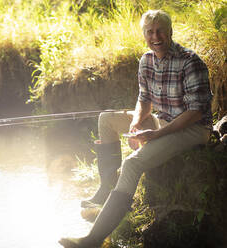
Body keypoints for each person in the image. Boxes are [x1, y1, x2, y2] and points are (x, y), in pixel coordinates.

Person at [59, 9, 213, 248]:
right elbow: (144, 98)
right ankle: (106, 190)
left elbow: (196, 111)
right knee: (105, 119)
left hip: (193, 128)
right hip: (162, 119)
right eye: (150, 32)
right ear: (144, 35)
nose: (156, 36)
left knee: (132, 164)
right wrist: (136, 122)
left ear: (170, 32)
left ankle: (92, 240)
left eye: (160, 30)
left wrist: (157, 134)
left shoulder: (190, 62)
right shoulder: (146, 60)